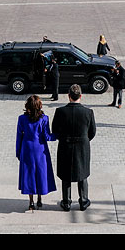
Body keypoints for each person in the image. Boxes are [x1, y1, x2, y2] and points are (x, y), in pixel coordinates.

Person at [51, 84, 96, 212]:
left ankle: (66, 202)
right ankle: (83, 201)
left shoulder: (60, 111)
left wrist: (64, 138)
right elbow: (92, 132)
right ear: (80, 96)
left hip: (65, 146)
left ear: (68, 96)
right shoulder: (88, 112)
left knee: (66, 176)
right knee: (82, 175)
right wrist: (83, 140)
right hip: (82, 147)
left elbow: (55, 130)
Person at [16, 95, 57, 210]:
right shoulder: (44, 118)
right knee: (40, 173)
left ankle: (31, 202)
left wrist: (18, 152)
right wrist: (58, 135)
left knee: (29, 174)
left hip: (27, 149)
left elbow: (19, 136)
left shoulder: (22, 119)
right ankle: (39, 198)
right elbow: (47, 136)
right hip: (40, 149)